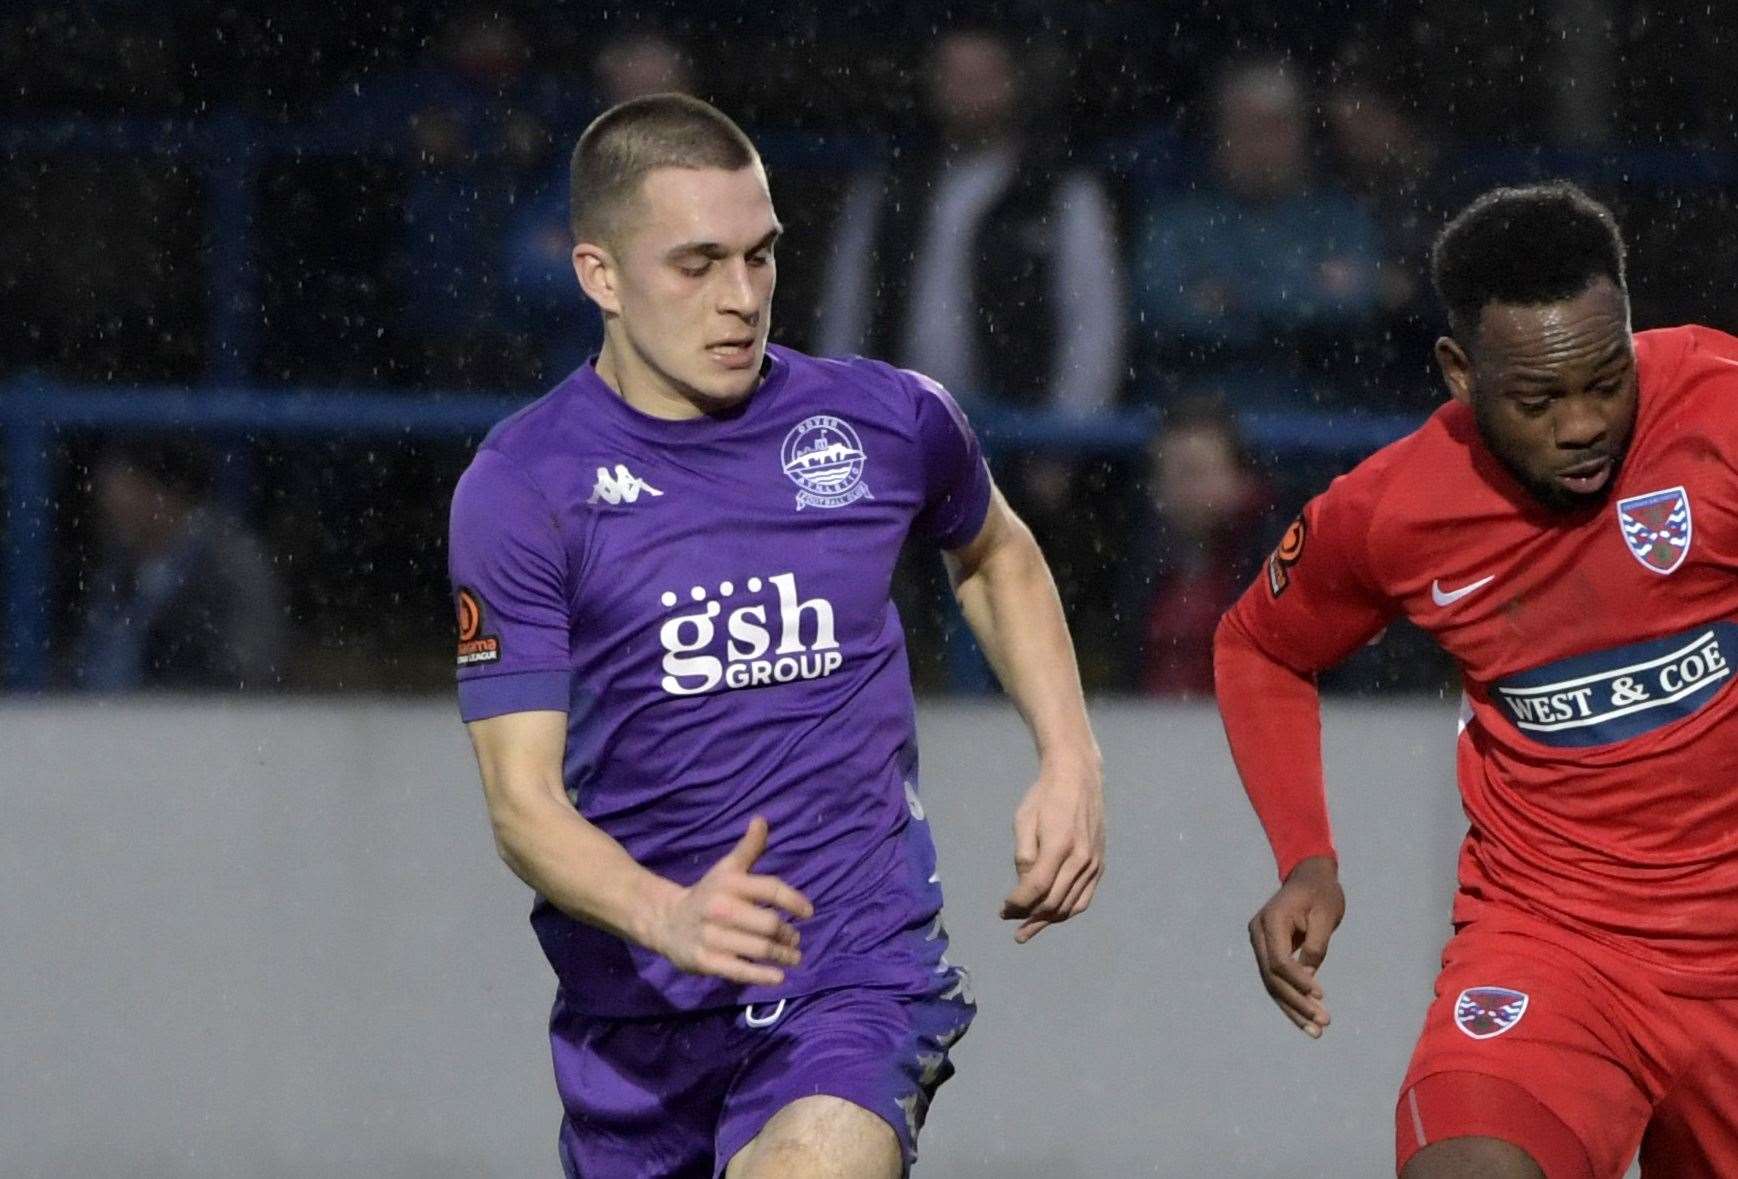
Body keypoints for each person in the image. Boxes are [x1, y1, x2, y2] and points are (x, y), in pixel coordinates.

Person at [448, 94, 1104, 1178]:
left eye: (760, 258)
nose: (741, 299)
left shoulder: (885, 422)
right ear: (599, 276)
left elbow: (993, 552)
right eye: (696, 265)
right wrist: (666, 913)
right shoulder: (523, 489)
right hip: (639, 1012)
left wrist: (1069, 756)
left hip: (852, 969)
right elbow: (523, 806)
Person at [1214, 180, 1738, 1177]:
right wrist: (1306, 859)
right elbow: (1260, 647)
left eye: (1604, 380)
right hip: (1554, 943)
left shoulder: (1721, 401)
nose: (1581, 425)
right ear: (1459, 372)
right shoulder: (1392, 509)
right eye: (1537, 400)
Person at [1130, 57, 1381, 402]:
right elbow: (1161, 312)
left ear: (1303, 132)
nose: (1263, 145)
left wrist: (1232, 300)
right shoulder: (1178, 220)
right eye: (1248, 128)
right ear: (1219, 133)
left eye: (1277, 127)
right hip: (1202, 413)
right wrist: (1302, 293)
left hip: (1321, 416)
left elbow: (1357, 305)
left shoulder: (1340, 217)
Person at [71, 438, 284, 690]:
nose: (110, 504)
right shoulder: (117, 566)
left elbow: (252, 663)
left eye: (127, 489)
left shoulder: (230, 562)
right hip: (103, 720)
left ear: (168, 492)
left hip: (199, 719)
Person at [1111, 396, 1276, 696]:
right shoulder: (1133, 562)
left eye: (1196, 472)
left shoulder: (1279, 561)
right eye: (1170, 474)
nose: (1183, 489)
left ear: (1241, 480)